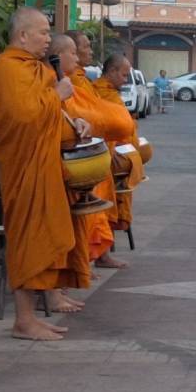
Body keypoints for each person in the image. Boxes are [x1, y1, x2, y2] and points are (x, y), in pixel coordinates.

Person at [0, 10, 93, 340]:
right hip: (24, 169)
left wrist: (74, 123)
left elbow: (48, 115)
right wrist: (56, 96)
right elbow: (23, 118)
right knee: (27, 240)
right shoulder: (7, 69)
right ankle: (23, 320)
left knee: (43, 239)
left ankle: (32, 316)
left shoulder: (39, 70)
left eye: (48, 33)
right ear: (22, 35)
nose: (48, 39)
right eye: (43, 32)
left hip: (45, 167)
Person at [63, 36, 132, 271]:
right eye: (83, 47)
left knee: (99, 208)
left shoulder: (83, 81)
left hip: (99, 153)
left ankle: (96, 257)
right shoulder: (68, 82)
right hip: (82, 158)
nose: (90, 51)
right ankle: (83, 260)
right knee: (87, 211)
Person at [94, 53, 146, 240]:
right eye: (124, 75)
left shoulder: (110, 93)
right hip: (106, 154)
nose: (125, 80)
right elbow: (99, 124)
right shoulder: (97, 92)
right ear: (112, 71)